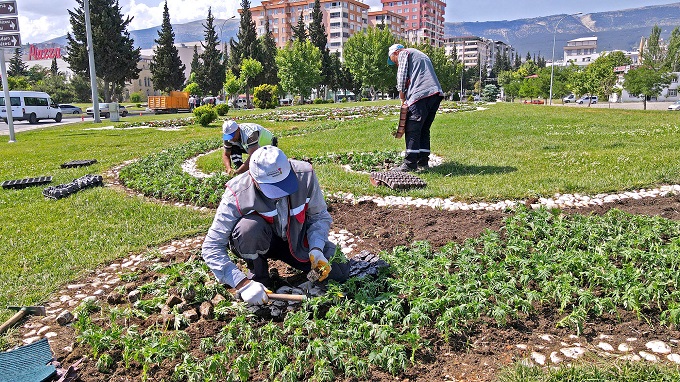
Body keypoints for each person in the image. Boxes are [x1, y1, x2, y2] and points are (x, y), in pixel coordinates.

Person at [202, 146, 350, 305]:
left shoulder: (305, 176)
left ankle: (308, 280)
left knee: (339, 266)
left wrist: (316, 248)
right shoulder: (237, 192)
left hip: (297, 242)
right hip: (262, 242)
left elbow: (319, 216)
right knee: (248, 229)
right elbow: (212, 246)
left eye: (284, 184)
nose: (281, 193)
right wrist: (242, 284)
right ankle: (258, 278)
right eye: (273, 188)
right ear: (254, 179)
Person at [387, 44, 444, 172]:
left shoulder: (404, 53)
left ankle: (410, 163)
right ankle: (423, 160)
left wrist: (402, 95)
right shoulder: (419, 55)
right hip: (435, 94)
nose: (395, 63)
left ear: (396, 53)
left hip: (421, 95)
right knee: (424, 128)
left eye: (393, 60)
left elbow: (401, 77)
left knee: (412, 127)